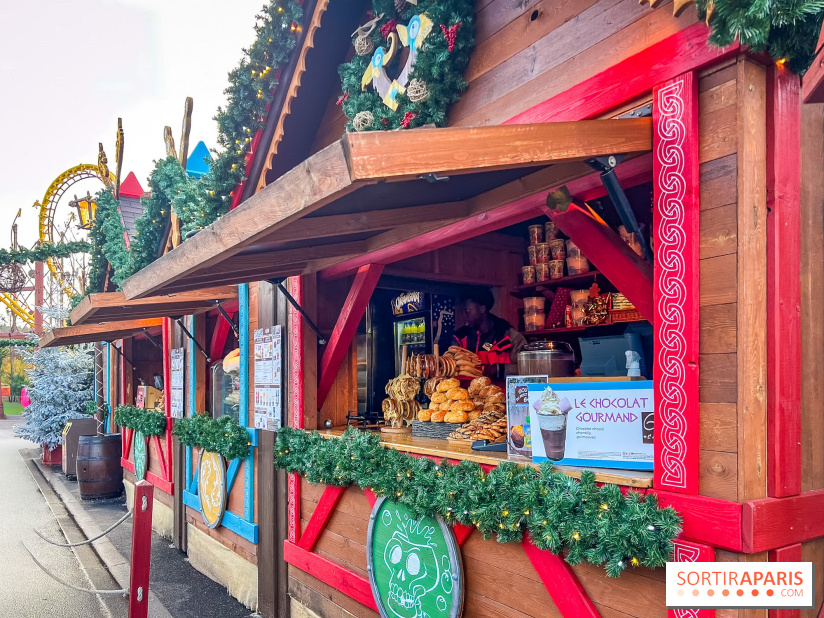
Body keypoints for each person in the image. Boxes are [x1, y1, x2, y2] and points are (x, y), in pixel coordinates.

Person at [454, 288, 526, 376]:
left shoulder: (510, 337)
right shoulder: (460, 337)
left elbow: (526, 368)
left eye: (468, 310)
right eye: (463, 311)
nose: (464, 315)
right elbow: (451, 366)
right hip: (469, 389)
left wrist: (497, 369)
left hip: (504, 388)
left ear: (482, 309)